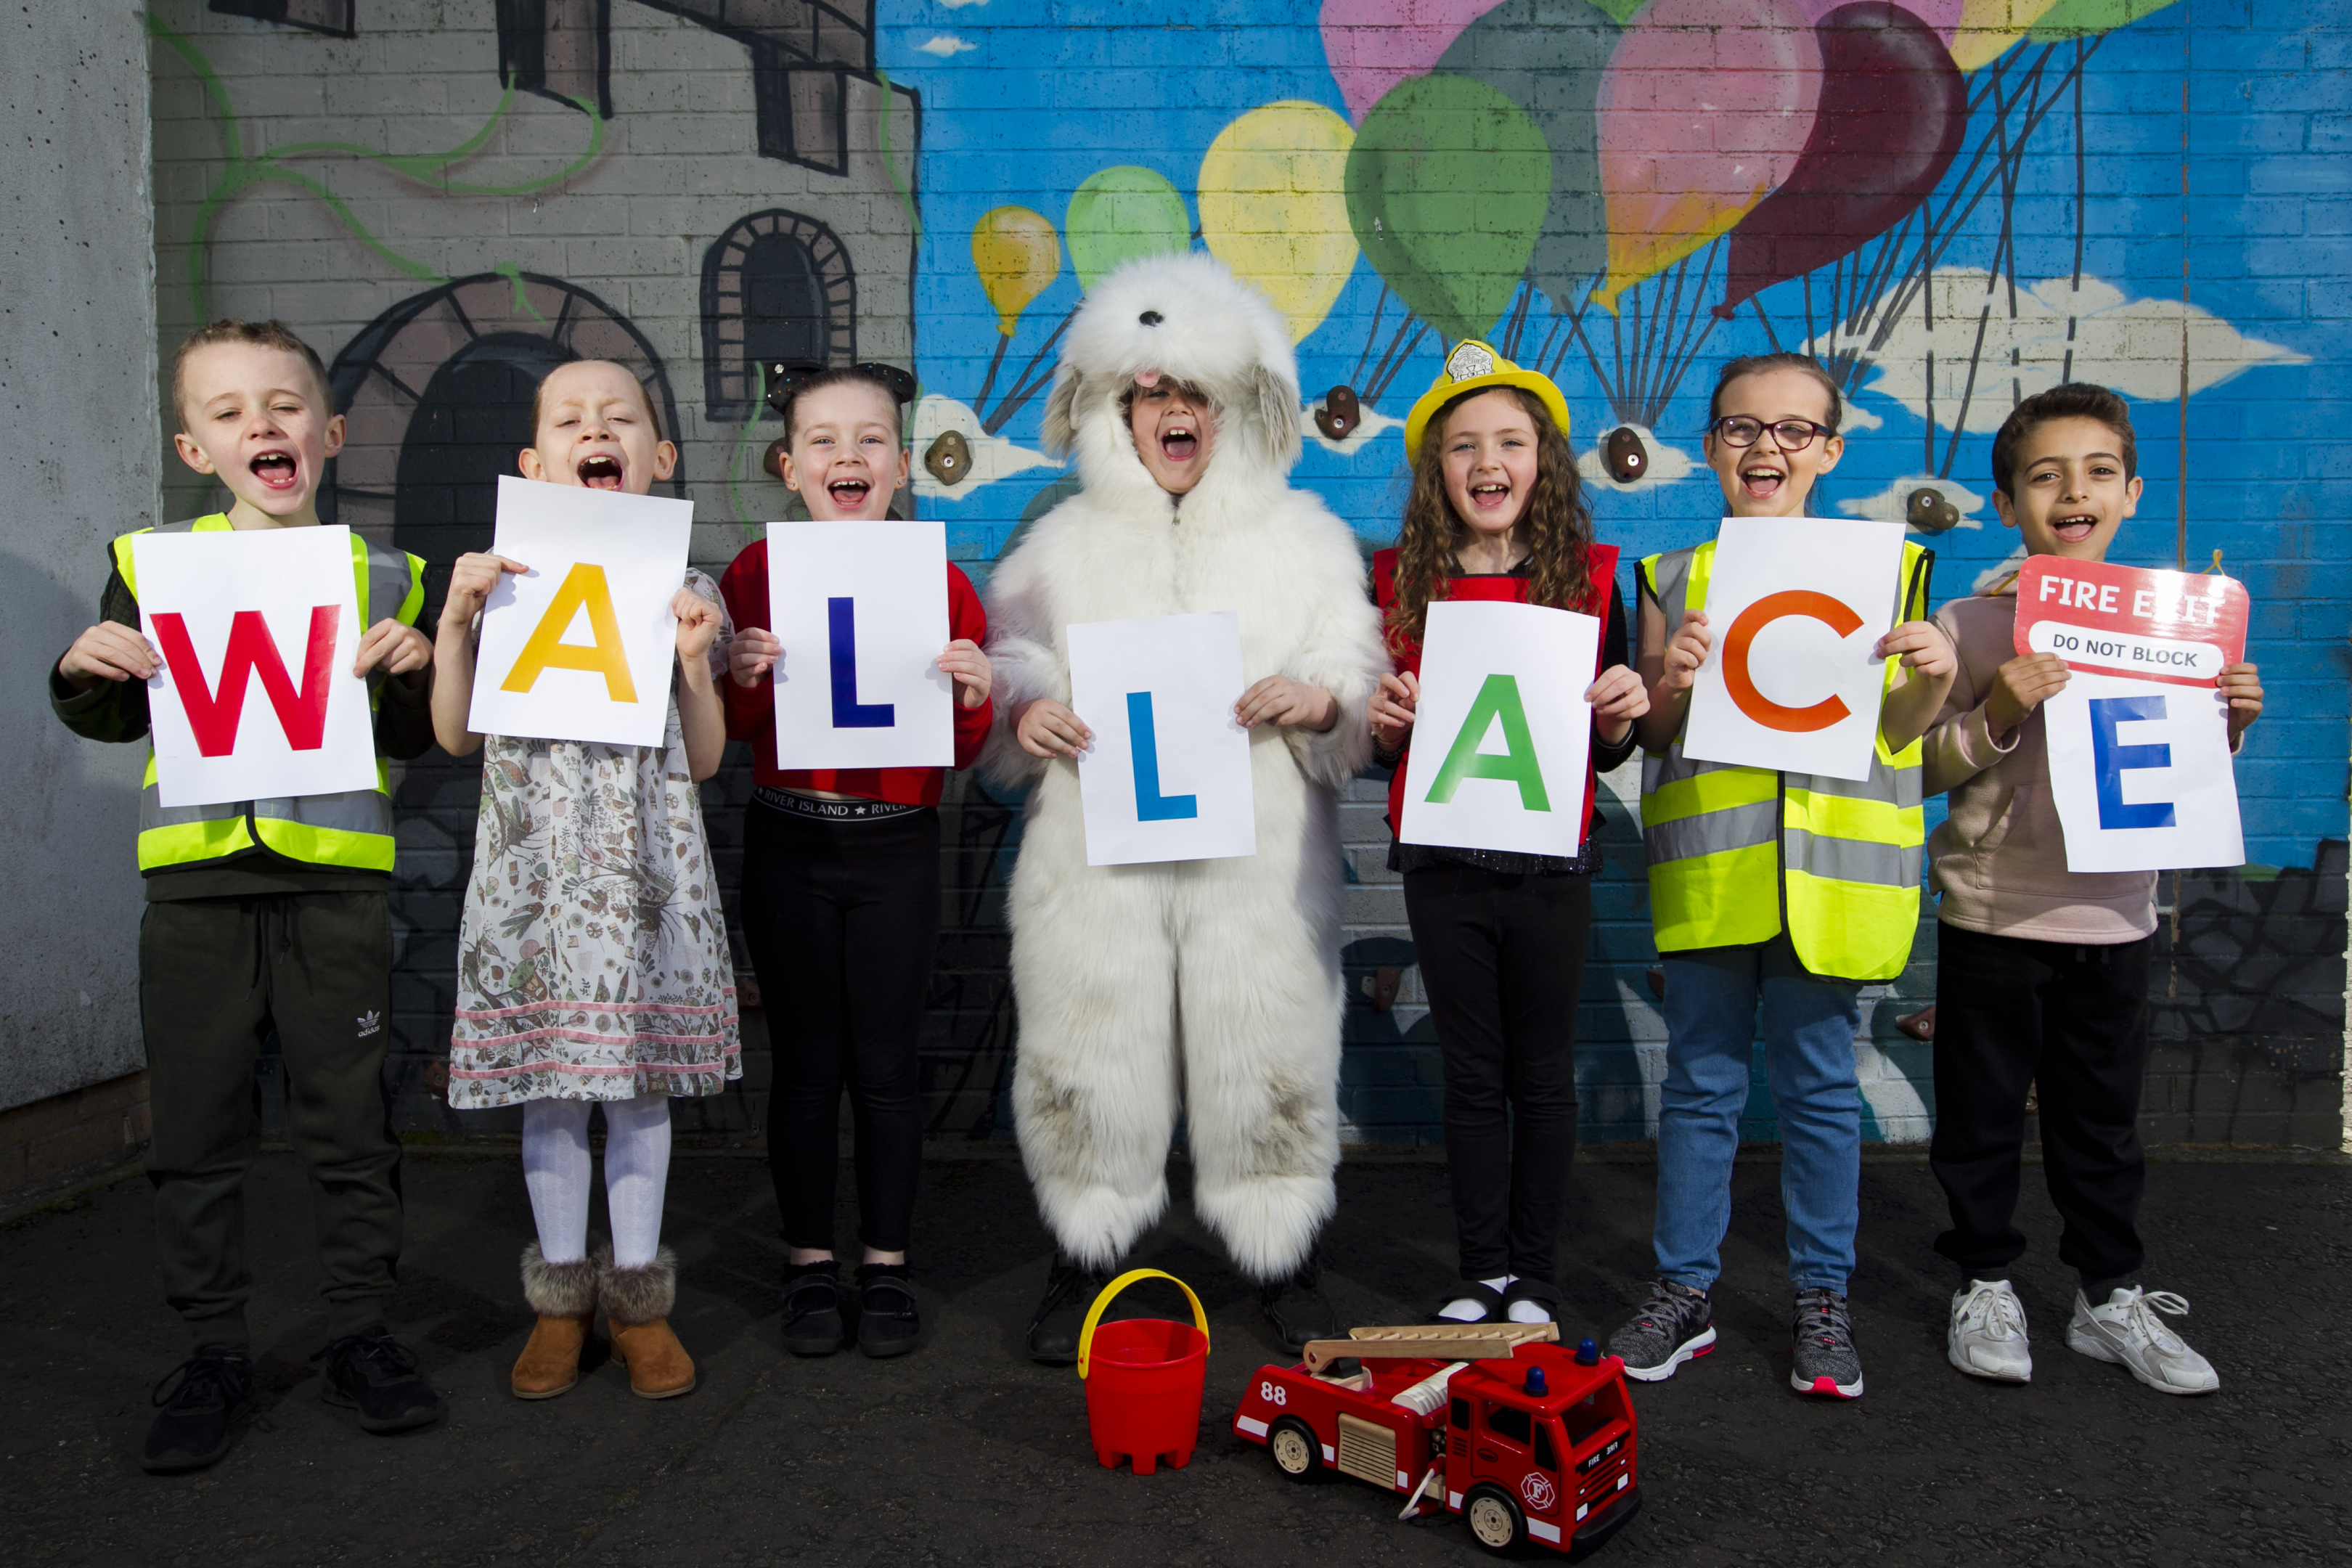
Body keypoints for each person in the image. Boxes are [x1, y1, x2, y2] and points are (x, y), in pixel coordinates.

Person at [49, 319, 443, 1472]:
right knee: (197, 1128)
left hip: (337, 891)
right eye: (228, 413)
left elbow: (417, 737)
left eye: (281, 405)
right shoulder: (151, 566)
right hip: (197, 892)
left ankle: (360, 1332)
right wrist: (81, 671)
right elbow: (120, 708)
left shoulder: (391, 577)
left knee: (351, 1125)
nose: (258, 424)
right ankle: (215, 1347)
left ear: (326, 434)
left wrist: (421, 671)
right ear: (194, 449)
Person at [984, 251, 1388, 1361]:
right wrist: (1024, 714)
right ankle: (1088, 1254)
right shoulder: (1057, 548)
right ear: (1115, 411)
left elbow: (1354, 683)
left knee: (1267, 1040)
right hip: (1094, 863)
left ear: (1237, 410)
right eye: (1147, 392)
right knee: (1088, 1042)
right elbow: (1001, 666)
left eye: (1193, 393)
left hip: (1253, 873)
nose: (1172, 412)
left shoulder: (1307, 546)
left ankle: (1281, 1255)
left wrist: (1320, 702)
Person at [1607, 352, 1956, 1400]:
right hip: (1718, 883)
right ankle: (1684, 1291)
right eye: (1742, 429)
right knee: (1703, 1089)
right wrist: (1667, 682)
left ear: (1830, 451)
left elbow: (1895, 734)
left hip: (1831, 889)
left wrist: (1931, 684)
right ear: (1712, 446)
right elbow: (1660, 735)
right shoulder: (1673, 576)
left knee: (1816, 1092)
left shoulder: (1891, 573)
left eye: (1793, 431)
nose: (1767, 446)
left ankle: (1822, 1298)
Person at [1924, 383, 2260, 1395]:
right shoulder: (1973, 622)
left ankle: (2107, 1297)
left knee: (2101, 1123)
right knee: (1981, 1115)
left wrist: (2231, 719)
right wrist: (2000, 709)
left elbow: (2176, 774)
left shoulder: (2176, 626)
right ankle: (1984, 1281)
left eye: (2098, 471)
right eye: (2045, 475)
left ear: (2131, 492)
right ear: (2006, 504)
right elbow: (1918, 765)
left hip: (2117, 916)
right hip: (1993, 912)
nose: (2074, 491)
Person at [430, 359, 738, 1402]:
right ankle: (559, 1303)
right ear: (536, 462)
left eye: (619, 419)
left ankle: (638, 1301)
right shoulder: (501, 579)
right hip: (538, 876)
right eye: (570, 420)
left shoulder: (688, 592)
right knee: (553, 1093)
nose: (594, 430)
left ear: (660, 458)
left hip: (644, 873)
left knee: (639, 1086)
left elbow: (702, 760)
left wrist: (695, 668)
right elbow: (453, 735)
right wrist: (458, 624)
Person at [1365, 342, 1648, 1327]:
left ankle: (1536, 1273)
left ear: (1544, 461)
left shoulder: (1593, 582)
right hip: (1442, 865)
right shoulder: (1399, 584)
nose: (1488, 463)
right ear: (1437, 471)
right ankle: (1480, 1267)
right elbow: (1375, 738)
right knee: (1473, 1072)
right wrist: (1379, 721)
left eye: (1511, 442)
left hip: (1547, 868)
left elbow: (1606, 751)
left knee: (1542, 1072)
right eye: (1463, 447)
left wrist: (1619, 715)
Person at [719, 362, 994, 1358]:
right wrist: (743, 677)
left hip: (897, 849)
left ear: (900, 466)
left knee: (884, 1067)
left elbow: (958, 751)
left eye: (871, 439)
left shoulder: (943, 579)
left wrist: (971, 696)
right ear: (790, 468)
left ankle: (885, 1263)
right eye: (825, 441)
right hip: (789, 838)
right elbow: (740, 725)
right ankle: (806, 1261)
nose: (850, 456)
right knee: (802, 1066)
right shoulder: (753, 573)